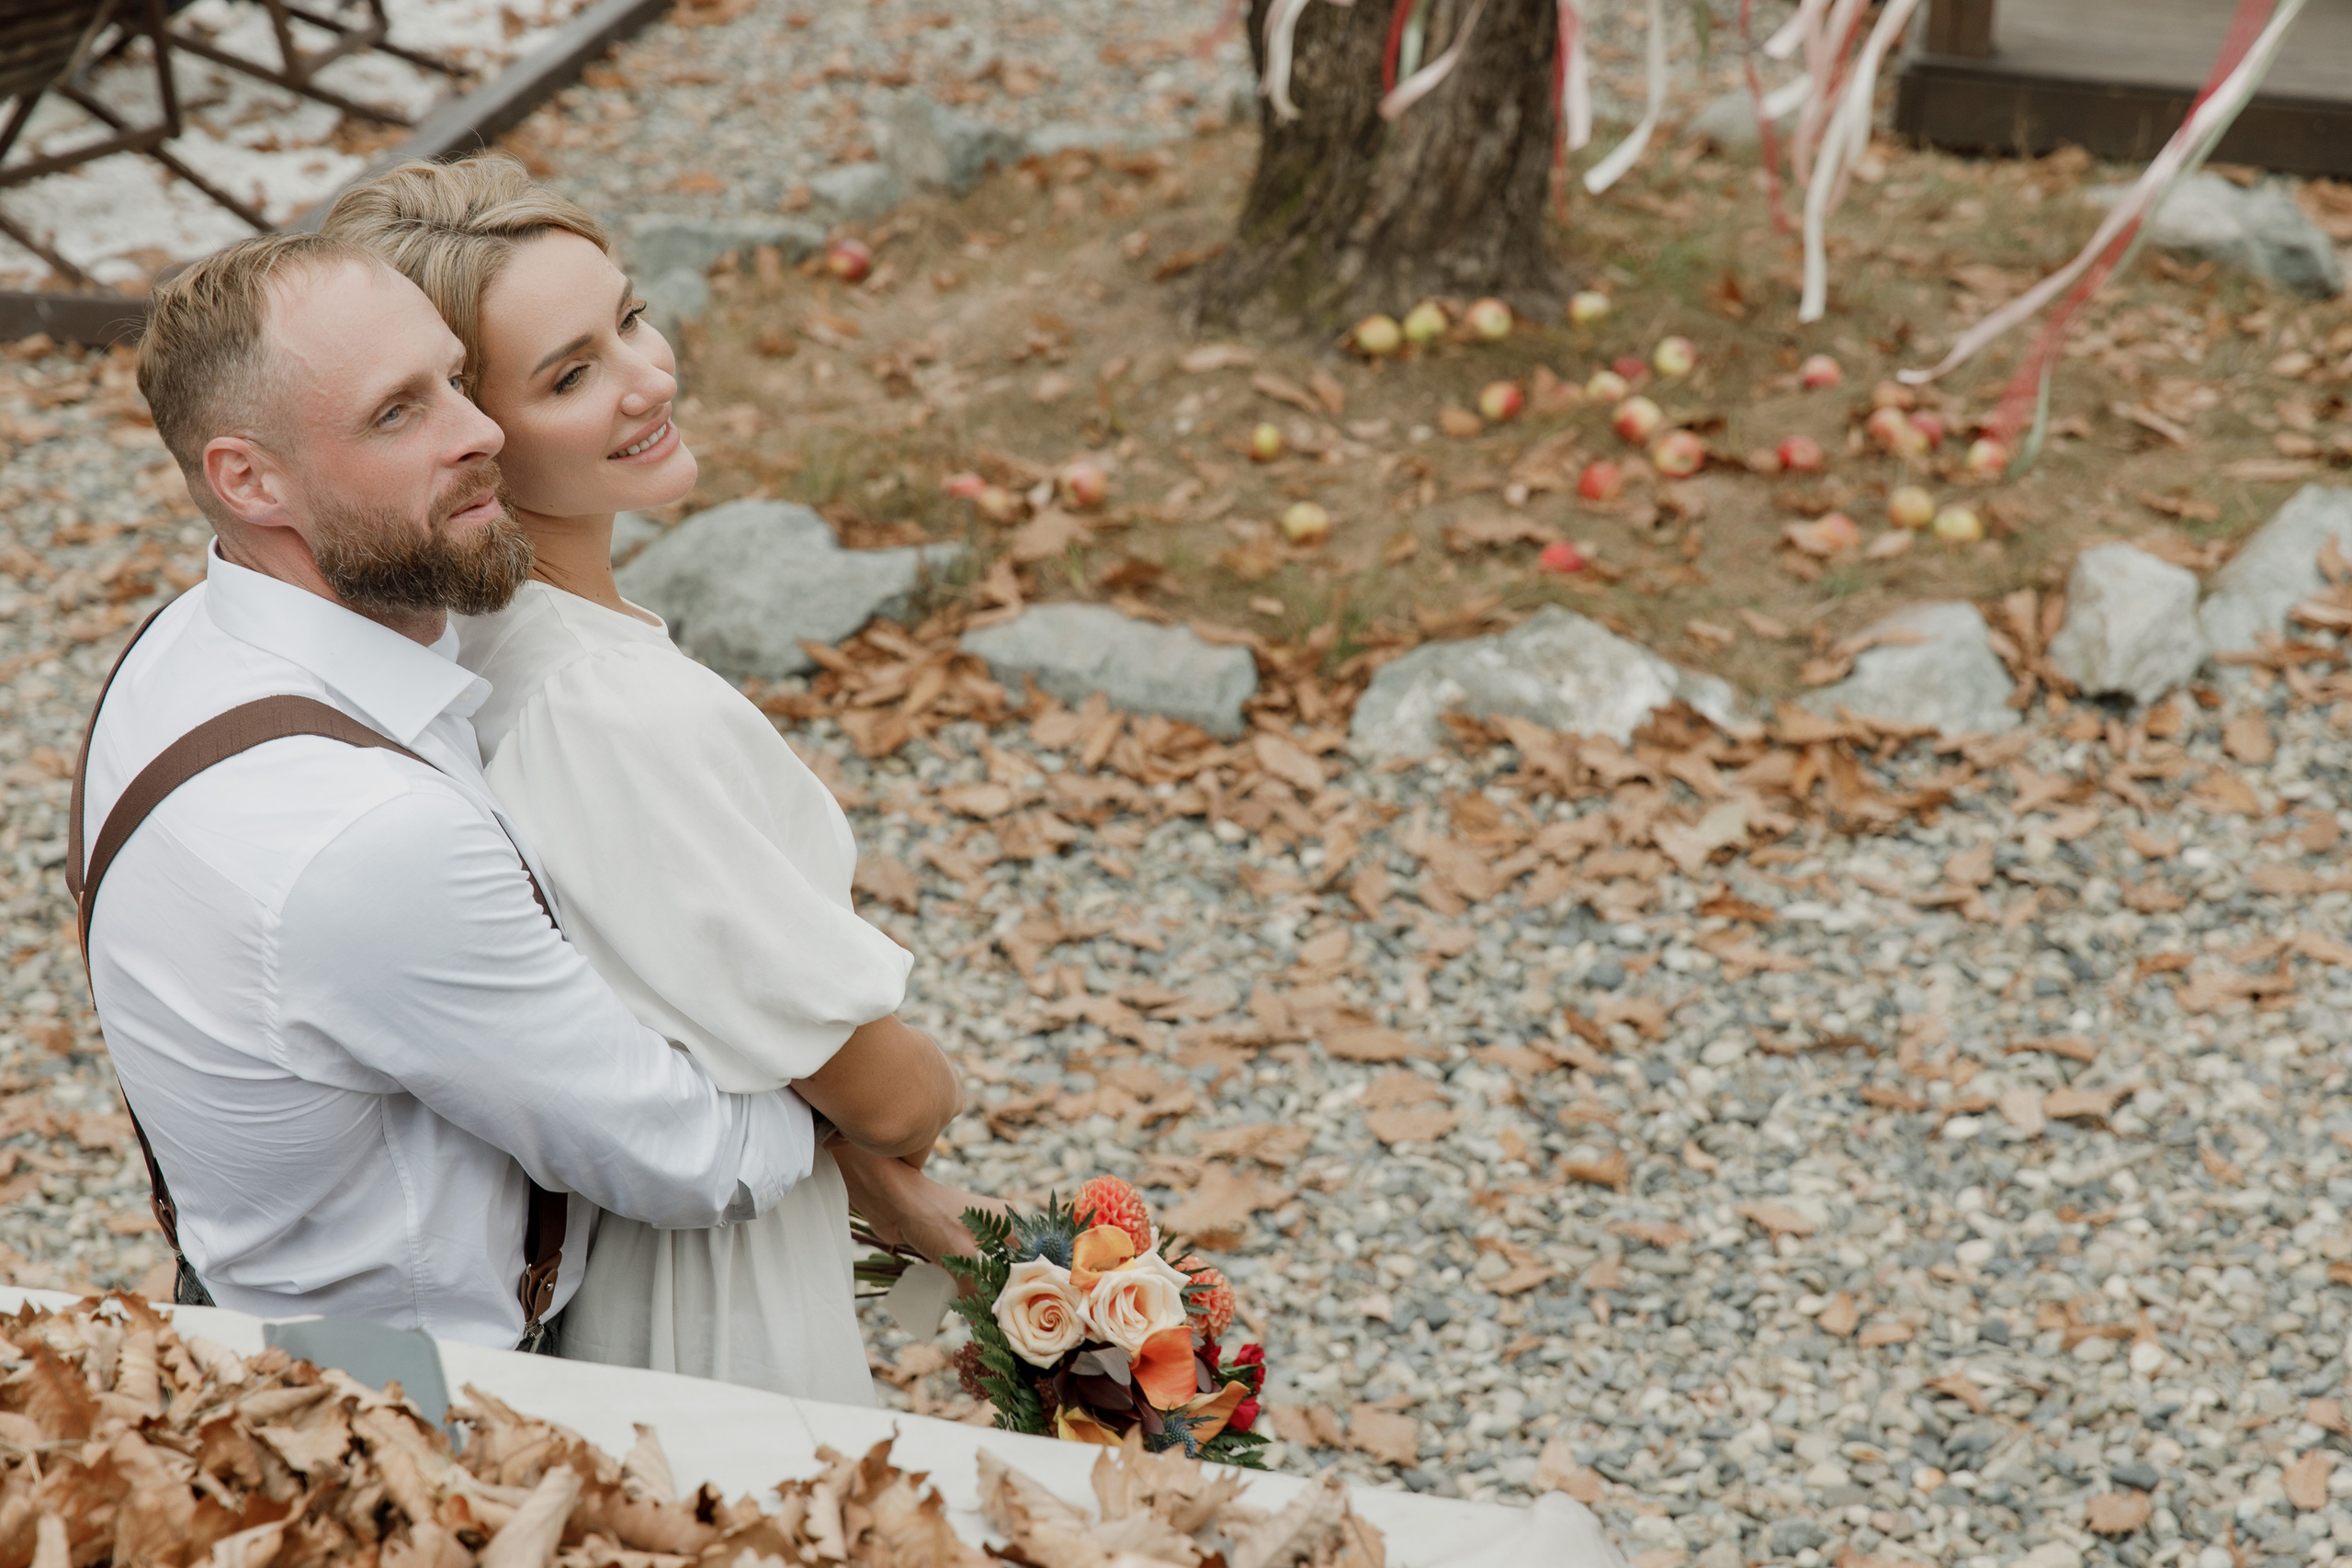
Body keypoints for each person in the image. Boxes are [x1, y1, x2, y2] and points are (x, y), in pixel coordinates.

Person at [322, 158, 991, 1403]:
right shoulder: (600, 707)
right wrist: (923, 1113)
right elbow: (874, 1081)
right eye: (572, 374)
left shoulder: (480, 640)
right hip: (704, 1282)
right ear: (471, 430)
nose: (647, 378)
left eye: (630, 317)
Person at [85, 231, 827, 1349]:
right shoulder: (361, 839)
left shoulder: (180, 645)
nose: (480, 434)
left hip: (241, 1310)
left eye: (457, 381)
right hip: (422, 1418)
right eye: (399, 413)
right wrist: (857, 1120)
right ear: (249, 479)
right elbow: (696, 1161)